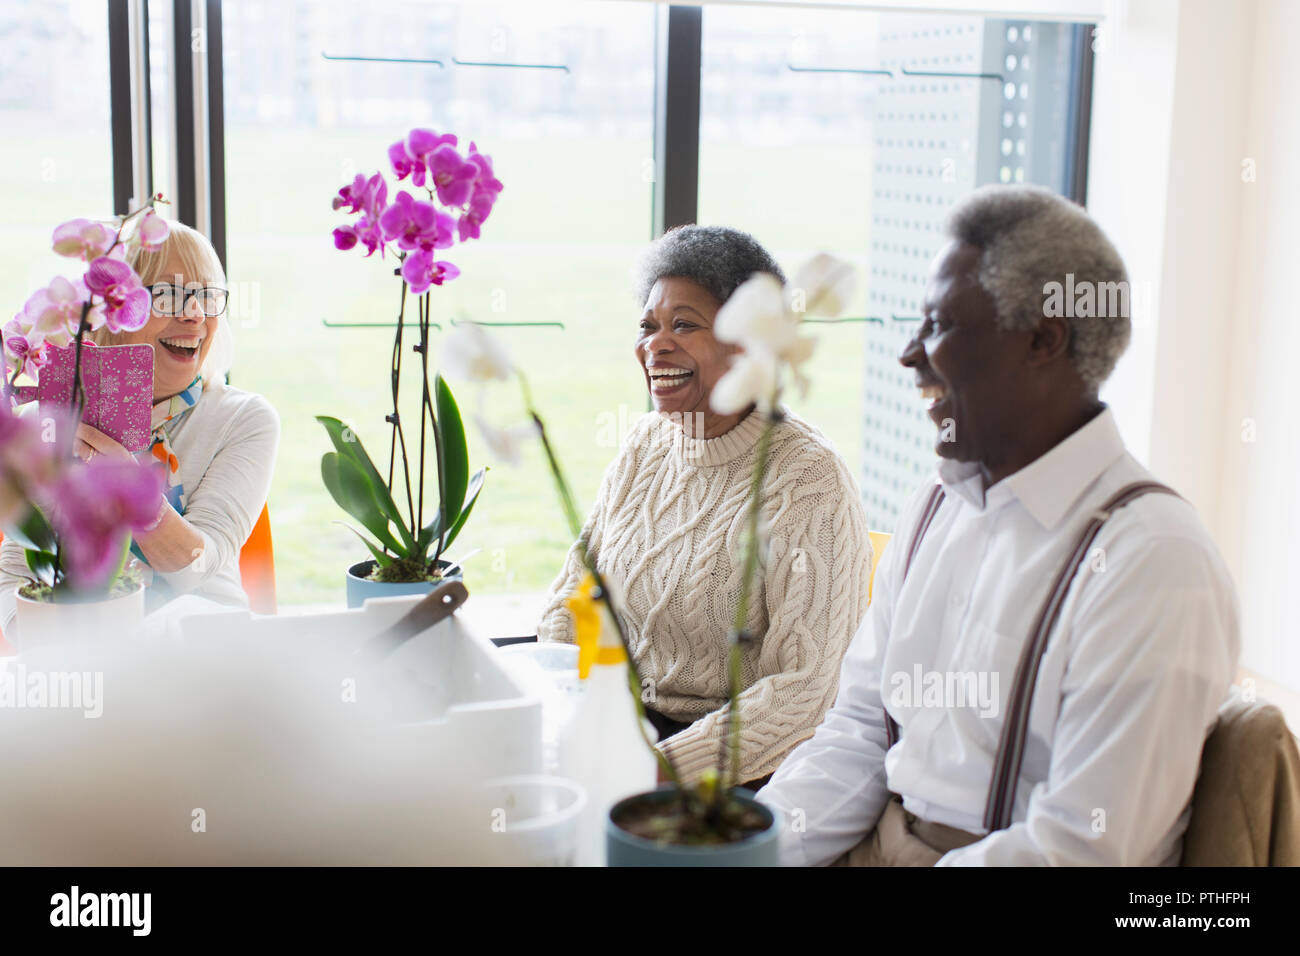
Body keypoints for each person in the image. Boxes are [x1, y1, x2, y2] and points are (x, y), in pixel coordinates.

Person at [756, 185, 1240, 865]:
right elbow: (862, 728)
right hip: (878, 841)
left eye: (938, 325)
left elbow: (1080, 849)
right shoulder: (935, 503)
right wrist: (751, 849)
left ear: (1043, 339)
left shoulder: (1154, 563)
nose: (908, 353)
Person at [537, 225, 872, 789]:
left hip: (736, 773)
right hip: (621, 731)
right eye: (647, 326)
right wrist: (566, 709)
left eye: (683, 325)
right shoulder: (644, 443)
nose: (655, 345)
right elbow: (573, 598)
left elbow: (804, 690)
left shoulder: (808, 479)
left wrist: (654, 771)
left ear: (747, 342)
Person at [0, 222, 280, 637]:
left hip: (208, 654)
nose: (195, 314)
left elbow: (200, 567)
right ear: (106, 312)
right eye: (168, 296)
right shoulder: (46, 421)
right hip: (90, 665)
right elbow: (14, 579)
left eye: (206, 296)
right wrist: (58, 648)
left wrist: (134, 493)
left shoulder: (244, 419)